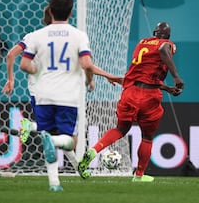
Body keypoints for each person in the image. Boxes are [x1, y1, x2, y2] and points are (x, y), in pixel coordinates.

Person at [19, 0, 122, 191]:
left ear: (50, 10)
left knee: (47, 134)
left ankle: (54, 183)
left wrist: (37, 71)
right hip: (67, 95)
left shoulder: (36, 36)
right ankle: (55, 144)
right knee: (70, 141)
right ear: (71, 11)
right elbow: (86, 64)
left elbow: (24, 64)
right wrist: (90, 81)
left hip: (42, 94)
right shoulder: (78, 35)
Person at [77, 22, 184, 182]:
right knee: (147, 136)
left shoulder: (142, 43)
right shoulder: (166, 44)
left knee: (120, 129)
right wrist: (175, 77)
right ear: (168, 37)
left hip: (130, 92)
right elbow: (163, 50)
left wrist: (167, 88)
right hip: (149, 97)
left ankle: (93, 151)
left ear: (154, 33)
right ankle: (139, 176)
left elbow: (142, 75)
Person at [1, 6, 80, 170]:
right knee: (61, 134)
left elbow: (10, 55)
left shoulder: (33, 37)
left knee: (56, 134)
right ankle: (30, 126)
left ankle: (79, 168)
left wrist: (11, 79)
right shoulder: (67, 38)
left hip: (37, 91)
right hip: (57, 89)